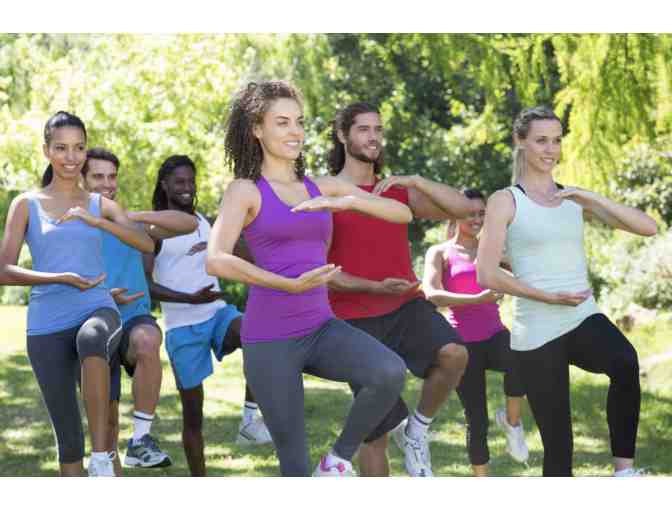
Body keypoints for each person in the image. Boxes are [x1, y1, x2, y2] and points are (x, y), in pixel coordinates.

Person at [206, 80, 412, 477]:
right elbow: (216, 259)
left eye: (299, 122)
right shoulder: (245, 191)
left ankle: (336, 461)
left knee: (388, 371)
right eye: (282, 122)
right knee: (294, 468)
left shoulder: (323, 186)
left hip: (320, 328)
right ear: (257, 129)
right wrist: (287, 284)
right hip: (270, 339)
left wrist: (350, 200)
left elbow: (402, 214)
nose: (295, 132)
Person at [476, 105, 657, 477]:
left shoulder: (572, 198)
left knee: (625, 362)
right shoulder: (505, 200)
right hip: (537, 331)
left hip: (581, 315)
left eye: (557, 140)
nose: (551, 149)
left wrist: (594, 199)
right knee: (559, 453)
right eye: (541, 140)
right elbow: (486, 274)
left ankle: (623, 473)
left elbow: (648, 227)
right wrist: (546, 296)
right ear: (520, 141)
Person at [0, 111, 154, 476]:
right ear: (46, 151)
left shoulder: (100, 204)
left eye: (79, 148)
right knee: (68, 442)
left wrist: (97, 221)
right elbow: (4, 270)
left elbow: (145, 242)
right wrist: (60, 278)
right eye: (61, 148)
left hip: (97, 306)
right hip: (46, 324)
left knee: (92, 337)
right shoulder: (26, 204)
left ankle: (101, 458)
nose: (71, 157)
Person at [326, 102, 475, 477]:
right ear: (342, 135)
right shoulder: (326, 193)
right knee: (374, 434)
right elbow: (321, 271)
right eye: (363, 129)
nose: (373, 136)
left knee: (455, 354)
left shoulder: (394, 191)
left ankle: (417, 431)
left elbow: (462, 208)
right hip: (353, 320)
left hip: (406, 307)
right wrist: (373, 286)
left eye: (378, 129)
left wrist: (417, 181)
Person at [144, 154, 273, 477]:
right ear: (164, 185)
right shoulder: (153, 230)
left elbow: (236, 251)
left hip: (217, 314)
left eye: (191, 181)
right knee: (193, 418)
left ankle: (249, 420)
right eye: (179, 182)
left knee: (258, 332)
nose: (187, 188)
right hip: (182, 328)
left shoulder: (203, 221)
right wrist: (188, 298)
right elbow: (146, 286)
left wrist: (280, 263)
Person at [81, 147, 199, 474]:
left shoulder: (130, 224)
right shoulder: (75, 226)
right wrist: (104, 296)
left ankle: (140, 440)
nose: (107, 184)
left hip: (134, 318)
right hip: (95, 326)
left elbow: (188, 223)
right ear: (81, 180)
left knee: (148, 339)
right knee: (106, 429)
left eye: (112, 177)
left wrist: (130, 215)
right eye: (98, 177)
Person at [423, 188, 528, 477]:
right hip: (463, 345)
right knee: (477, 419)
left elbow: (527, 274)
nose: (477, 219)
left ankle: (512, 422)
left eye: (482, 213)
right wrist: (476, 299)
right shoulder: (440, 252)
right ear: (454, 214)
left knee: (521, 358)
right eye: (469, 213)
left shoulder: (492, 250)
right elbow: (432, 294)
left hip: (495, 335)